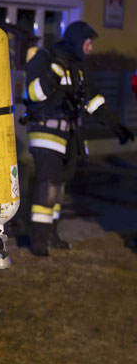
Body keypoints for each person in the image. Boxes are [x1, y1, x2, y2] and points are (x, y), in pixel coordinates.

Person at [24, 20, 134, 255]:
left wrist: (116, 126)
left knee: (59, 189)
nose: (91, 48)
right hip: (46, 132)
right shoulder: (46, 58)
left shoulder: (79, 67)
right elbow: (34, 93)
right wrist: (56, 69)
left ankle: (52, 236)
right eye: (88, 42)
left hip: (69, 135)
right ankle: (40, 242)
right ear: (76, 40)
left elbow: (94, 100)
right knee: (48, 185)